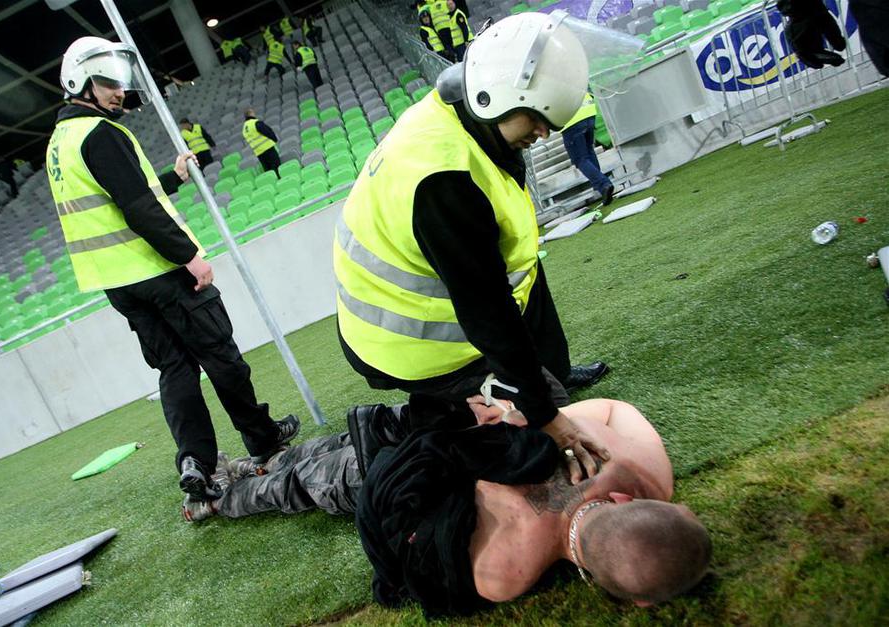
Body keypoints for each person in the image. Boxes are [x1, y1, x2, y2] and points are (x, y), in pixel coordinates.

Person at [333, 12, 609, 470]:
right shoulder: (445, 177)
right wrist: (544, 415)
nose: (544, 133)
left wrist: (545, 386)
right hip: (406, 342)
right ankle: (399, 429)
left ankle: (547, 379)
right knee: (538, 451)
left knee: (549, 392)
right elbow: (487, 309)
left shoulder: (464, 115)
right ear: (495, 95)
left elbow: (512, 272)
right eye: (536, 117)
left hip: (437, 309)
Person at [47, 36, 300, 503]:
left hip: (119, 284)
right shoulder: (101, 133)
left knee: (175, 369)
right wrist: (188, 256)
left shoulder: (61, 143)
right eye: (107, 82)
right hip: (159, 270)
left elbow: (118, 198)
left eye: (119, 81)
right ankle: (263, 438)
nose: (119, 91)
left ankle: (196, 463)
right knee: (219, 354)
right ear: (79, 82)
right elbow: (138, 208)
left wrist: (173, 178)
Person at [186, 396, 711, 617]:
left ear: (623, 500)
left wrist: (521, 424)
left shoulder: (641, 470)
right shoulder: (503, 573)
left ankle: (215, 495)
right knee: (301, 475)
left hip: (419, 432)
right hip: (395, 454)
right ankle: (236, 483)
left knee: (301, 476)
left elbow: (612, 408)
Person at [560, 92, 615, 206]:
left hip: (572, 119)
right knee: (589, 152)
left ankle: (603, 185)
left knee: (580, 159)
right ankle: (602, 189)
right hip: (588, 110)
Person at [242, 109, 281, 176]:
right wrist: (275, 139)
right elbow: (268, 131)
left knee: (268, 171)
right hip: (268, 148)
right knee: (277, 168)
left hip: (259, 153)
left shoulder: (244, 129)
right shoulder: (255, 123)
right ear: (251, 114)